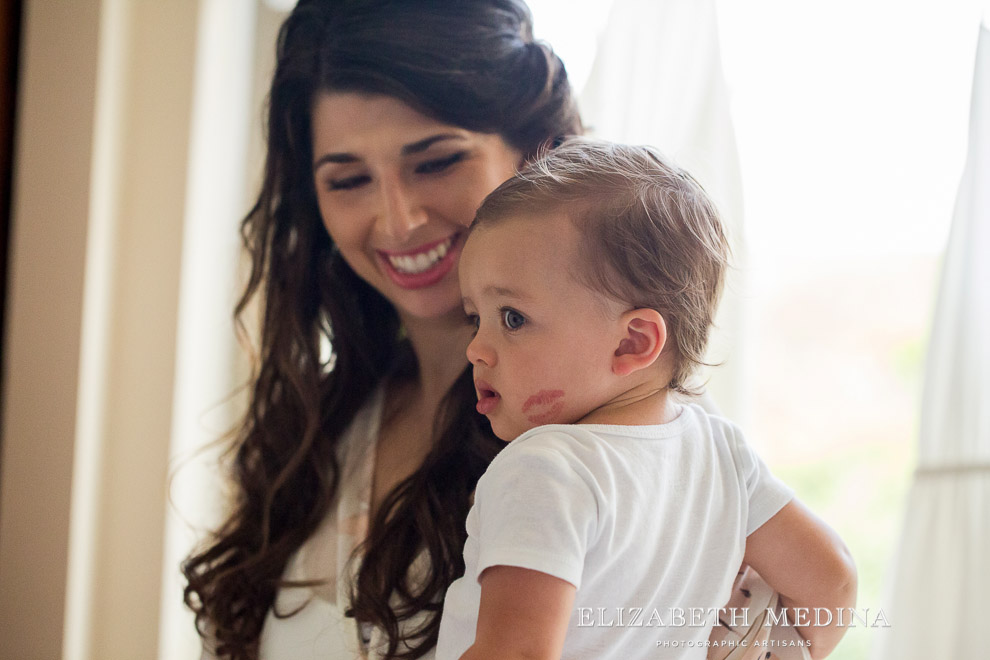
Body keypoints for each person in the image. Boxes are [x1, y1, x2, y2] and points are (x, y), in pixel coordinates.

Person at [181, 2, 805, 660]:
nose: (397, 221)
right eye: (349, 180)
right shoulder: (317, 429)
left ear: (538, 154)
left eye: (435, 162)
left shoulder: (650, 460)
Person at [435, 138, 857, 660]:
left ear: (633, 342)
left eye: (513, 319)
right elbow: (832, 585)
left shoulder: (543, 469)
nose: (476, 348)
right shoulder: (722, 454)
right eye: (475, 318)